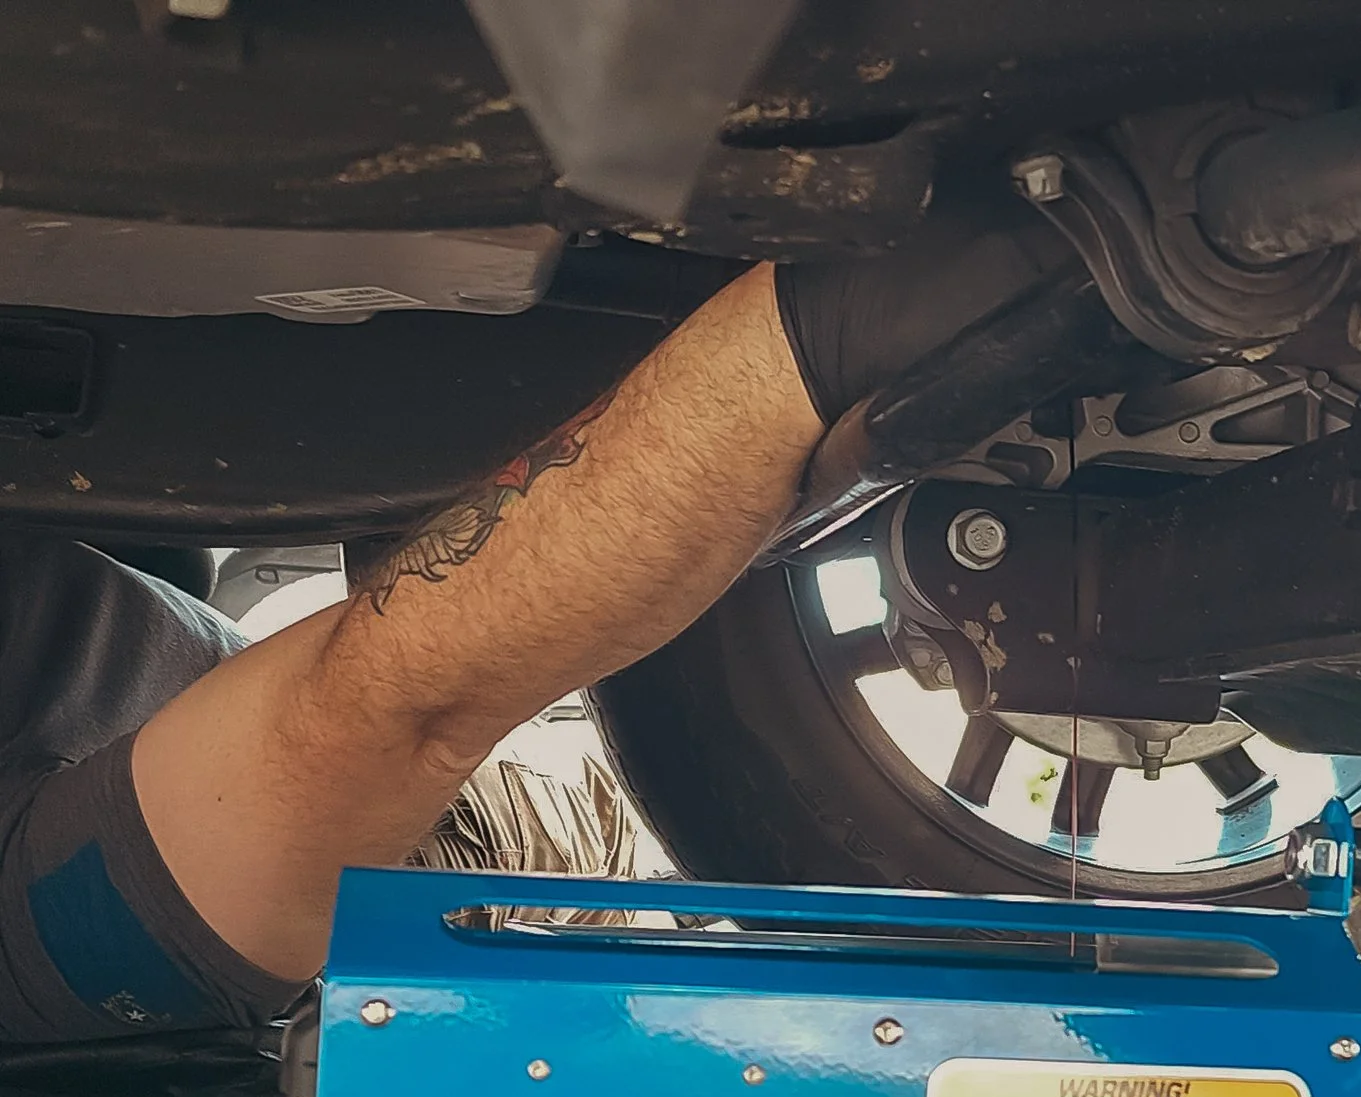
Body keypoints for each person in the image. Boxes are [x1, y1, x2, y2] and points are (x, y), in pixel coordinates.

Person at [0, 218, 1063, 1043]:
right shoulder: (64, 922)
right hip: (412, 844)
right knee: (562, 837)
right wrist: (818, 342)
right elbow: (390, 709)